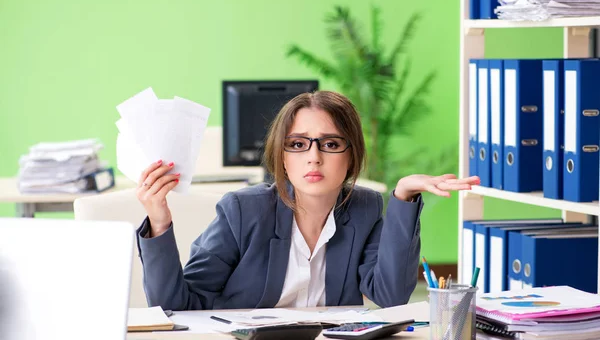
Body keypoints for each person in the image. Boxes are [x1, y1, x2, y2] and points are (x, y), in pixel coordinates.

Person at [135, 90, 479, 311]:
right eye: (298, 144)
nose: (314, 157)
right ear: (282, 157)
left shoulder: (365, 208)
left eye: (330, 144)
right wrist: (159, 222)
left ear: (351, 158)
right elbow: (174, 305)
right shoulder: (243, 211)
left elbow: (390, 297)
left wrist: (404, 197)